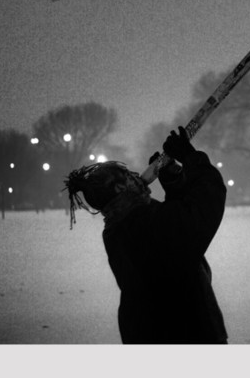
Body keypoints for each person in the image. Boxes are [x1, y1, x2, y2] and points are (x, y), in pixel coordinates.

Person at [64, 126, 228, 344]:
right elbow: (204, 205)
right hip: (184, 334)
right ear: (121, 187)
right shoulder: (142, 223)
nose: (135, 176)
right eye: (128, 175)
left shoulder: (121, 226)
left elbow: (175, 231)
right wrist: (191, 157)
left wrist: (173, 181)